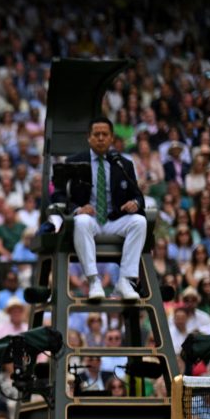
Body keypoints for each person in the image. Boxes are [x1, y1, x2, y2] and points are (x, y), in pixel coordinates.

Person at [61, 117, 146, 301]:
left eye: (104, 134)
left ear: (111, 138)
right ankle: (93, 280)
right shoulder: (74, 161)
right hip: (90, 220)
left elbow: (138, 196)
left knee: (139, 221)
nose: (100, 138)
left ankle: (125, 280)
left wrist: (135, 204)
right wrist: (78, 208)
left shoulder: (123, 163)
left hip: (114, 220)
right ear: (89, 137)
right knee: (81, 221)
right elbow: (59, 195)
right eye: (96, 134)